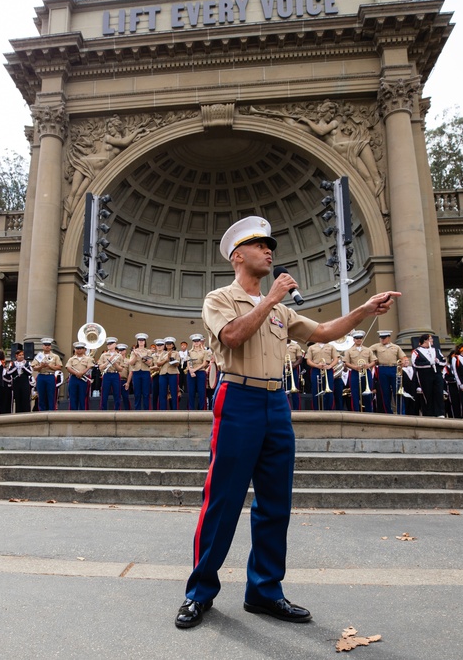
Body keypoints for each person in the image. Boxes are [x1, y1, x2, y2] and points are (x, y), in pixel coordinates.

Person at [176, 216, 399, 629]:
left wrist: (364, 310)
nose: (270, 251)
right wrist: (271, 297)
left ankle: (264, 591)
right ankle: (199, 593)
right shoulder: (219, 298)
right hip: (238, 397)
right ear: (238, 256)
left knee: (276, 502)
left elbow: (326, 331)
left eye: (270, 245)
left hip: (276, 402)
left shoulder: (280, 309)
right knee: (222, 500)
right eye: (261, 245)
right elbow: (232, 338)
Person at [411, 334, 445, 418]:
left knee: (439, 393)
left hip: (437, 374)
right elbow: (415, 364)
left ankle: (440, 412)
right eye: (430, 339)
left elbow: (443, 361)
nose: (432, 340)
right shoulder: (416, 351)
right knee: (427, 394)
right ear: (425, 340)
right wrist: (429, 363)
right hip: (425, 376)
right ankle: (429, 413)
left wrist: (438, 362)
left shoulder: (436, 350)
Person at [370, 330, 403, 413]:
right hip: (382, 368)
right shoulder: (377, 346)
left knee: (397, 391)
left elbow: (403, 357)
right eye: (381, 338)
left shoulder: (396, 347)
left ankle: (400, 411)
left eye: (384, 338)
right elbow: (367, 351)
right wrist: (374, 359)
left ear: (389, 338)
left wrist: (403, 361)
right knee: (385, 392)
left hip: (393, 368)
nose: (382, 340)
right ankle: (387, 411)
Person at [343, 331, 375, 412]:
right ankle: (356, 412)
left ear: (362, 339)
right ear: (353, 340)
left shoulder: (368, 350)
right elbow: (346, 362)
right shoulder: (349, 351)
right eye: (357, 338)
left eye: (360, 338)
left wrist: (368, 365)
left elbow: (374, 361)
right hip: (355, 372)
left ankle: (369, 412)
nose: (358, 340)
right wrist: (354, 367)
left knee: (368, 393)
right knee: (355, 393)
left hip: (366, 372)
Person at [33, 338, 62, 411]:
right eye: (45, 345)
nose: (47, 346)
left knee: (51, 395)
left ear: (51, 346)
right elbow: (34, 367)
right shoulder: (39, 356)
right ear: (42, 346)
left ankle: (51, 411)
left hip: (50, 376)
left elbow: (59, 367)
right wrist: (41, 366)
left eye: (48, 345)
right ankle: (42, 412)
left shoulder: (55, 356)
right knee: (41, 395)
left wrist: (50, 366)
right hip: (41, 375)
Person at [305, 340, 335, 411]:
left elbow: (336, 358)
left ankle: (329, 410)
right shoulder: (312, 347)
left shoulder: (331, 347)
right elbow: (308, 360)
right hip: (316, 369)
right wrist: (316, 365)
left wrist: (330, 366)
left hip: (328, 368)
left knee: (329, 390)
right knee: (315, 390)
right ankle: (316, 410)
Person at [98, 337, 126, 410]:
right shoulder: (103, 355)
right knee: (104, 394)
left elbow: (121, 369)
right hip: (106, 374)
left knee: (117, 393)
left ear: (115, 345)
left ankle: (117, 410)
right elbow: (100, 367)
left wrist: (115, 364)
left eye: (111, 344)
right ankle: (103, 410)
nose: (109, 345)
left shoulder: (119, 356)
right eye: (108, 344)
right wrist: (108, 361)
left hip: (115, 374)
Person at [128, 333, 153, 410]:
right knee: (137, 393)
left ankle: (146, 410)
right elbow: (131, 363)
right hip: (136, 372)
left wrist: (142, 358)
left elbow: (150, 363)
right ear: (137, 341)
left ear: (145, 342)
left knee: (146, 393)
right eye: (140, 340)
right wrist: (135, 356)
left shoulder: (148, 351)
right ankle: (137, 410)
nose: (141, 342)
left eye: (143, 340)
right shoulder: (134, 351)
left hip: (145, 371)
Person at [66, 342, 94, 410]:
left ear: (84, 349)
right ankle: (73, 414)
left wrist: (82, 373)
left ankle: (83, 414)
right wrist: (76, 373)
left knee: (83, 397)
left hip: (83, 379)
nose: (79, 350)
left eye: (81, 348)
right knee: (73, 397)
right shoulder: (71, 359)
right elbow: (68, 368)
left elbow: (90, 367)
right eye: (77, 348)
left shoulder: (88, 359)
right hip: (73, 378)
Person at [186, 334, 211, 411]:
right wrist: (191, 370)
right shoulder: (189, 352)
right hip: (191, 373)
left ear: (200, 342)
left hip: (200, 372)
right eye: (194, 341)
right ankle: (191, 409)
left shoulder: (205, 352)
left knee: (201, 392)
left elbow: (205, 363)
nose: (196, 342)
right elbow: (188, 362)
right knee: (191, 392)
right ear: (192, 342)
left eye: (198, 341)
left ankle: (201, 409)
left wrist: (195, 370)